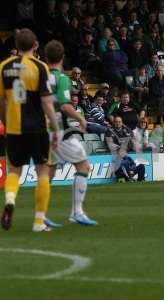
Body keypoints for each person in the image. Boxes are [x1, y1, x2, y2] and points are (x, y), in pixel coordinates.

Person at [0, 28, 60, 232]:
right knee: (43, 171)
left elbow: (1, 101)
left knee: (14, 171)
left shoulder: (3, 67)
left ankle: (10, 200)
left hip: (14, 128)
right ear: (35, 45)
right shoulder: (40, 66)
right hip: (37, 128)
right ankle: (38, 222)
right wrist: (56, 127)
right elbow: (46, 102)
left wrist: (6, 122)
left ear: (15, 45)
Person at [43, 40, 97, 227]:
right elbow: (65, 105)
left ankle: (40, 215)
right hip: (59, 130)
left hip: (43, 129)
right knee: (83, 166)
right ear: (62, 57)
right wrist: (81, 119)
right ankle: (77, 212)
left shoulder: (39, 76)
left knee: (48, 173)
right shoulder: (62, 78)